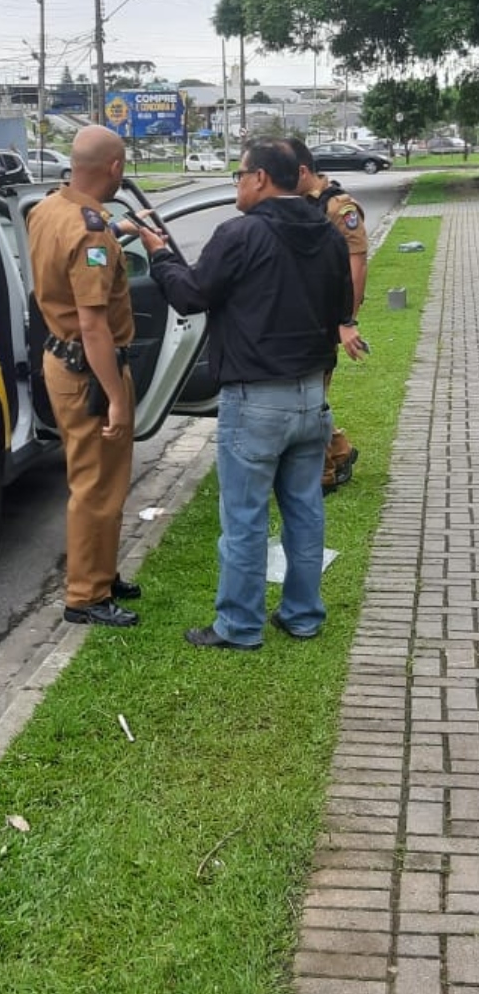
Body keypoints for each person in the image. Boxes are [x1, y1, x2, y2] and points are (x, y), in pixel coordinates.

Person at [136, 138, 366, 649]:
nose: (236, 184)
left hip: (256, 399)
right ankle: (303, 615)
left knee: (244, 518)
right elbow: (342, 306)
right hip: (311, 396)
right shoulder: (327, 234)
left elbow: (192, 295)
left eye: (240, 174)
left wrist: (158, 255)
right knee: (305, 512)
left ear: (261, 178)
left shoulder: (239, 234)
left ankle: (239, 627)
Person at [27, 125, 141, 628]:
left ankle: (102, 573)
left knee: (105, 479)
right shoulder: (91, 230)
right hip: (90, 367)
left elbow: (71, 257)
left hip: (61, 357)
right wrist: (116, 396)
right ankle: (86, 596)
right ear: (113, 168)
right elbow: (94, 324)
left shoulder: (49, 209)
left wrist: (120, 236)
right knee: (96, 484)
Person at [288, 137, 367, 492]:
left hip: (326, 317)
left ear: (302, 170)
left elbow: (356, 265)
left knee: (310, 399)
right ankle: (338, 448)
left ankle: (323, 475)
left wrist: (345, 320)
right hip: (302, 314)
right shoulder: (297, 204)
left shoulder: (339, 207)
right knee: (307, 395)